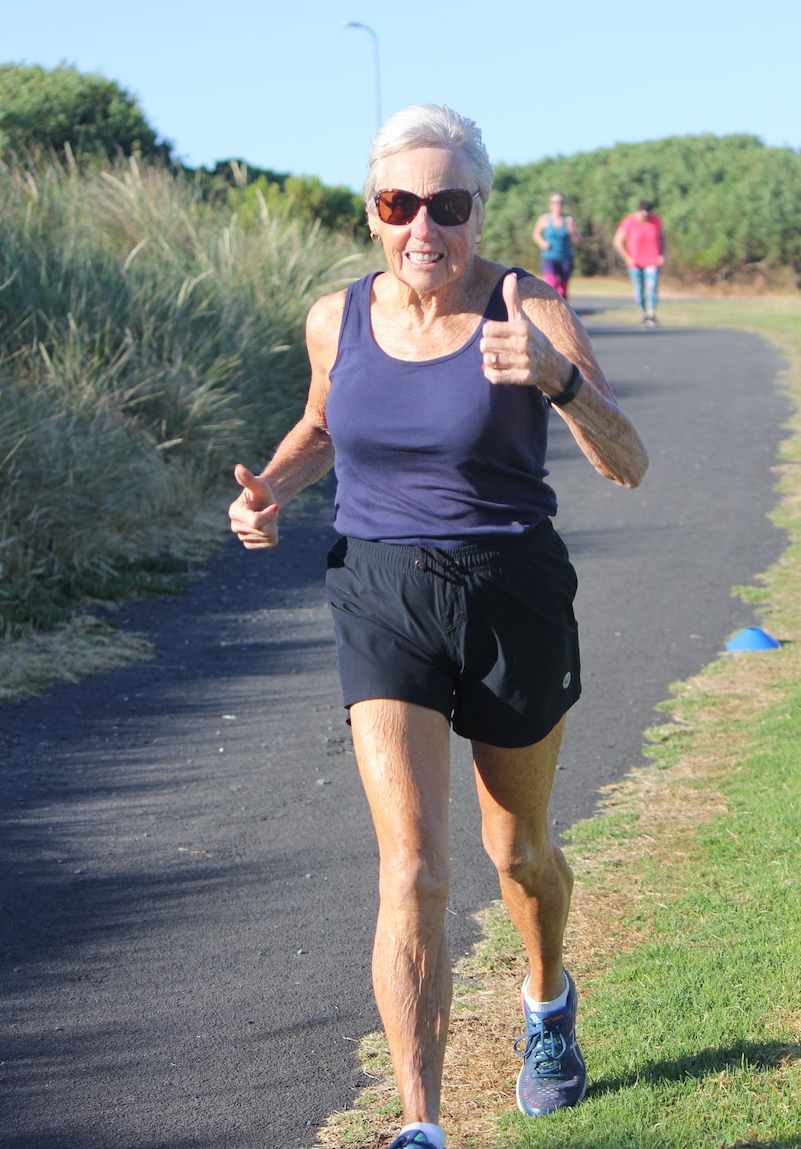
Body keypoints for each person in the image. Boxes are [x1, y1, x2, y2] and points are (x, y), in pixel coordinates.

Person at [229, 103, 648, 1149]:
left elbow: (626, 460)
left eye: (448, 204)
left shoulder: (529, 306)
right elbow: (326, 421)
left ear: (478, 210)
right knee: (410, 865)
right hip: (379, 588)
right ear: (373, 213)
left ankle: (546, 1003)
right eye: (400, 202)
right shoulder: (337, 317)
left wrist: (554, 381)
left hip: (512, 593)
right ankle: (420, 1125)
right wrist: (272, 487)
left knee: (518, 856)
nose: (425, 226)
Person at [613, 200, 666, 326]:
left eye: (648, 214)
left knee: (652, 287)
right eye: (643, 214)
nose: (646, 217)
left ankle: (651, 315)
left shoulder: (656, 220)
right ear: (638, 211)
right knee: (639, 289)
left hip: (652, 260)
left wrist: (661, 255)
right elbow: (617, 241)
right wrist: (627, 257)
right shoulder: (629, 222)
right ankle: (643, 315)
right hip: (635, 262)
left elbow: (663, 238)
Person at [531, 192, 581, 299]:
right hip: (549, 257)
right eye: (554, 202)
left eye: (560, 202)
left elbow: (577, 240)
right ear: (550, 205)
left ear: (564, 205)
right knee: (552, 284)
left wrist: (572, 231)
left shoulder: (568, 220)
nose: (557, 205)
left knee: (563, 289)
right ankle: (553, 308)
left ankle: (564, 311)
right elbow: (535, 233)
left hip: (565, 257)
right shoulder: (544, 219)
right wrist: (542, 242)